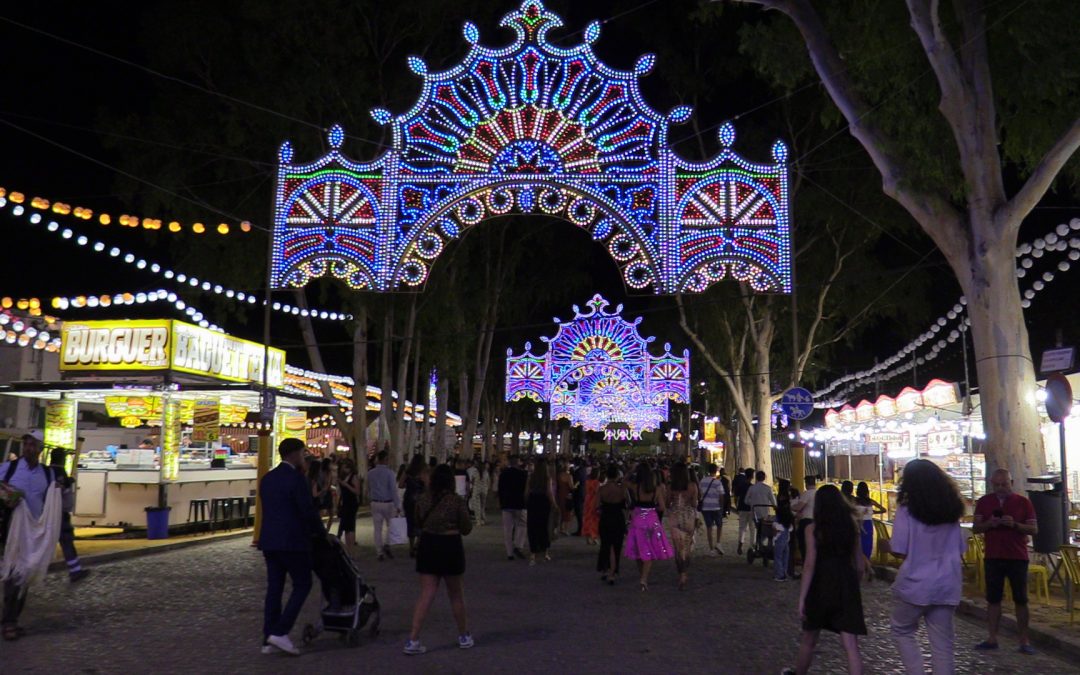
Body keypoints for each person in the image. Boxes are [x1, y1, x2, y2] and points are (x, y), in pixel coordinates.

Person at [889, 459, 967, 674]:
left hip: (917, 583)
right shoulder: (952, 511)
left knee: (902, 628)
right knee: (943, 645)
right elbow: (960, 548)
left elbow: (899, 549)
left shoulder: (907, 511)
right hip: (947, 583)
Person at [787, 484, 869, 675]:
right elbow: (859, 564)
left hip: (821, 583)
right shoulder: (852, 527)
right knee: (851, 645)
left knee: (809, 639)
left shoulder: (813, 529)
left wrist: (802, 597)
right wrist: (853, 585)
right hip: (846, 582)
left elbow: (809, 564)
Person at [257, 438, 325, 656]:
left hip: (270, 541)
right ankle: (280, 631)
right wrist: (321, 534)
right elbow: (307, 512)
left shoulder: (267, 479)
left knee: (274, 589)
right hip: (293, 541)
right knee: (303, 584)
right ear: (295, 454)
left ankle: (268, 637)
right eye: (303, 454)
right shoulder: (296, 480)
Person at [404, 464, 474, 655]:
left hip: (428, 544)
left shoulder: (424, 500)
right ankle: (464, 636)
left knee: (426, 594)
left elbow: (417, 522)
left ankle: (413, 639)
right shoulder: (456, 501)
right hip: (450, 545)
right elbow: (467, 528)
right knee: (456, 595)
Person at [1, 431, 62, 641]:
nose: (28, 448)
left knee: (26, 573)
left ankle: (12, 619)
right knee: (14, 573)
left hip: (35, 532)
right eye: (26, 444)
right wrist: (7, 495)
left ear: (40, 449)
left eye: (33, 445)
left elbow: (53, 500)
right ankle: (9, 622)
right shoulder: (9, 468)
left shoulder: (48, 474)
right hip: (11, 528)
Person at [972, 468, 1038, 654]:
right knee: (993, 599)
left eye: (1005, 484)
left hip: (1017, 556)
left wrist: (1015, 525)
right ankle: (992, 637)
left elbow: (1034, 530)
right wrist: (989, 524)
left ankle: (1024, 639)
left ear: (1011, 483)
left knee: (1021, 599)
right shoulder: (984, 502)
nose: (1001, 488)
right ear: (992, 484)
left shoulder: (1023, 503)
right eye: (997, 485)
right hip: (993, 555)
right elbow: (976, 528)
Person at [623, 462, 673, 591]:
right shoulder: (656, 489)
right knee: (649, 550)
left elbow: (624, 481)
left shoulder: (636, 487)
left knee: (639, 549)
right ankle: (644, 578)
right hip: (651, 519)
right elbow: (662, 507)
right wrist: (651, 507)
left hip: (638, 518)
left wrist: (631, 469)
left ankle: (642, 576)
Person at [48, 447, 89, 582]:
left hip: (52, 513)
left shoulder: (47, 471)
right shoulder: (59, 471)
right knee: (66, 541)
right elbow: (60, 490)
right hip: (60, 513)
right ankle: (75, 570)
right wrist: (67, 483)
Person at [666, 462, 700, 590]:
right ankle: (685, 571)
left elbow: (667, 502)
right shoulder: (692, 486)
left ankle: (682, 574)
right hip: (688, 517)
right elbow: (695, 503)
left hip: (675, 516)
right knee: (686, 546)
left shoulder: (671, 486)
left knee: (678, 549)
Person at [368, 451, 403, 561]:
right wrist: (398, 505)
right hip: (388, 502)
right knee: (391, 525)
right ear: (386, 459)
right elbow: (393, 490)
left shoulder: (370, 473)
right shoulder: (390, 473)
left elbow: (368, 487)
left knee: (377, 529)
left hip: (375, 502)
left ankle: (379, 552)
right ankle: (387, 544)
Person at [596, 464, 627, 584]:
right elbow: (627, 505)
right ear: (617, 476)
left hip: (605, 518)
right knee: (616, 546)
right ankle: (613, 572)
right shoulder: (621, 490)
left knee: (605, 544)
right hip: (618, 518)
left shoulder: (602, 489)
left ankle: (605, 568)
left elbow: (596, 506)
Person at [526, 458, 557, 565]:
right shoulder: (547, 478)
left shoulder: (531, 477)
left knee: (532, 527)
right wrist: (554, 504)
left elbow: (526, 491)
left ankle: (533, 554)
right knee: (543, 527)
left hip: (533, 501)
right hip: (543, 502)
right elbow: (549, 492)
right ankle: (545, 553)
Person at [498, 455, 529, 560]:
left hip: (506, 504)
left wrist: (501, 502)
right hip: (520, 503)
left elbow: (500, 489)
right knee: (522, 524)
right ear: (518, 462)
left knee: (507, 529)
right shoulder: (523, 474)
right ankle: (518, 545)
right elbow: (526, 489)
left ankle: (509, 553)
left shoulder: (503, 474)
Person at [400, 455, 428, 558]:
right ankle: (418, 544)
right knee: (422, 522)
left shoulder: (407, 472)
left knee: (410, 522)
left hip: (409, 500)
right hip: (421, 500)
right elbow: (427, 485)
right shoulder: (423, 472)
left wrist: (409, 485)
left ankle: (411, 547)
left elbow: (401, 485)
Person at [792, 475, 819, 574]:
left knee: (804, 546)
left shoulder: (807, 494)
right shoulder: (818, 493)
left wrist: (790, 506)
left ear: (806, 483)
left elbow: (798, 507)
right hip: (817, 521)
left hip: (807, 521)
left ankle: (806, 568)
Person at [746, 470, 778, 549]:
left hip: (755, 513)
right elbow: (774, 502)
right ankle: (761, 544)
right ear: (764, 478)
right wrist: (775, 507)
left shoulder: (752, 488)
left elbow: (746, 500)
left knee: (759, 528)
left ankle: (759, 544)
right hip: (765, 514)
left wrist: (753, 503)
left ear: (756, 478)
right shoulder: (767, 488)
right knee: (765, 529)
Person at [699, 463, 726, 556]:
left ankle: (711, 549)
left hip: (706, 507)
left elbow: (700, 493)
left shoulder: (702, 481)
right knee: (719, 525)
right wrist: (721, 506)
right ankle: (718, 542)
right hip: (716, 507)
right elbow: (721, 495)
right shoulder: (717, 482)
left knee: (709, 527)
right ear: (716, 471)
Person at [854, 482, 886, 560]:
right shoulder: (870, 501)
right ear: (867, 491)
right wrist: (874, 512)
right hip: (868, 525)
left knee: (858, 544)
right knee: (867, 545)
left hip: (857, 524)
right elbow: (883, 510)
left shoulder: (854, 501)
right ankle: (867, 561)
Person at [336, 458, 361, 553]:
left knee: (350, 525)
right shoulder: (342, 477)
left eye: (346, 467)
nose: (344, 469)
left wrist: (346, 485)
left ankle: (351, 547)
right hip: (345, 502)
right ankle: (348, 547)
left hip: (352, 503)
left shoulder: (353, 477)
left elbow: (357, 491)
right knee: (346, 526)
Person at [774, 498, 795, 582]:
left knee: (778, 557)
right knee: (785, 557)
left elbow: (775, 526)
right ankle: (784, 573)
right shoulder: (789, 517)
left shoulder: (778, 517)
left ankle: (780, 575)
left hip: (779, 539)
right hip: (787, 539)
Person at [733, 467, 754, 555]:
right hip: (751, 508)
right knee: (752, 528)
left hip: (742, 507)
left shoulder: (741, 485)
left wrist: (737, 505)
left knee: (742, 527)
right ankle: (752, 546)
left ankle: (740, 544)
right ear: (752, 476)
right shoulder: (752, 487)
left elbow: (736, 495)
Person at [581, 466, 600, 544]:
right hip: (594, 500)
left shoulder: (587, 481)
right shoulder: (596, 482)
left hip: (587, 500)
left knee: (587, 518)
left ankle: (588, 537)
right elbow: (597, 492)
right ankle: (593, 536)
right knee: (594, 519)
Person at [556, 460, 575, 536]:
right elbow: (571, 486)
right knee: (567, 512)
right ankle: (565, 529)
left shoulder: (559, 475)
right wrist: (575, 485)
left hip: (560, 494)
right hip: (567, 495)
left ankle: (561, 528)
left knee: (561, 511)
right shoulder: (569, 476)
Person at [468, 460, 489, 526]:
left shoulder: (475, 472)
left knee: (477, 506)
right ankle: (483, 519)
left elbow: (472, 481)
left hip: (476, 490)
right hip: (484, 490)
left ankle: (478, 521)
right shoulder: (486, 472)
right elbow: (488, 481)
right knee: (482, 505)